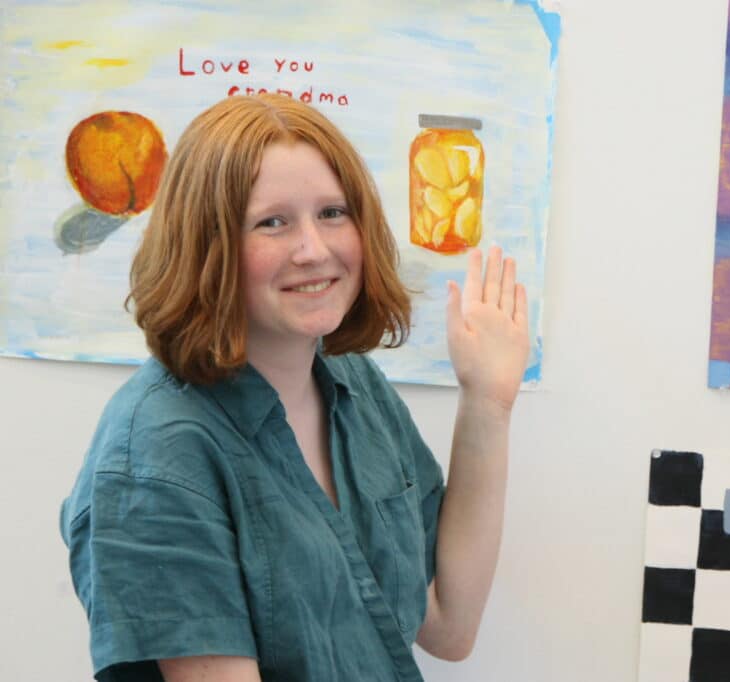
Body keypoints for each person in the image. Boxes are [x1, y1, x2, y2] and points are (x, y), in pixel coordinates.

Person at [59, 93, 530, 682]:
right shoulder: (156, 457)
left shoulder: (351, 379)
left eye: (333, 213)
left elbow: (448, 627)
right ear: (209, 244)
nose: (315, 249)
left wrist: (488, 401)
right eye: (272, 222)